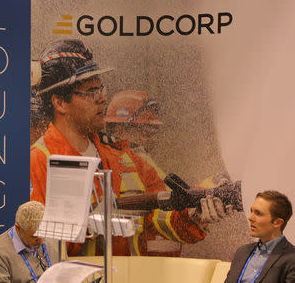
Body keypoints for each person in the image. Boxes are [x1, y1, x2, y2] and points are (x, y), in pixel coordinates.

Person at [29, 39, 226, 257]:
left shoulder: (123, 154)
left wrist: (193, 215)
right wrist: (89, 225)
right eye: (91, 91)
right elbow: (35, 248)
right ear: (60, 103)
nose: (102, 98)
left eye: (101, 88)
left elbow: (160, 214)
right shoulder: (39, 162)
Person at [224, 190, 294, 283]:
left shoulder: (291, 258)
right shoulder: (242, 252)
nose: (250, 218)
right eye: (251, 211)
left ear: (277, 223)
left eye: (258, 213)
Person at [0, 201, 58, 283]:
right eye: (34, 236)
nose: (41, 241)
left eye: (44, 233)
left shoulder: (53, 240)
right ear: (18, 228)